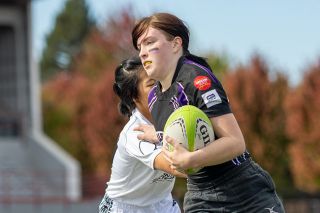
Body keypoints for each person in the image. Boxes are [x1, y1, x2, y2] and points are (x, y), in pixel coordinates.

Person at [132, 13, 285, 212]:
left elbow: (236, 142)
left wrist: (191, 160)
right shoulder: (153, 98)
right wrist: (158, 135)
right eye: (139, 47)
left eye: (149, 42)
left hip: (243, 190)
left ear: (176, 44)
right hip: (200, 194)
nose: (143, 53)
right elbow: (186, 133)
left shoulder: (197, 79)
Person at [99, 57, 185, 213]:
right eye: (152, 84)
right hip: (125, 208)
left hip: (163, 203)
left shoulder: (175, 115)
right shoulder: (135, 133)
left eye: (161, 80)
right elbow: (177, 166)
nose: (161, 88)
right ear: (134, 96)